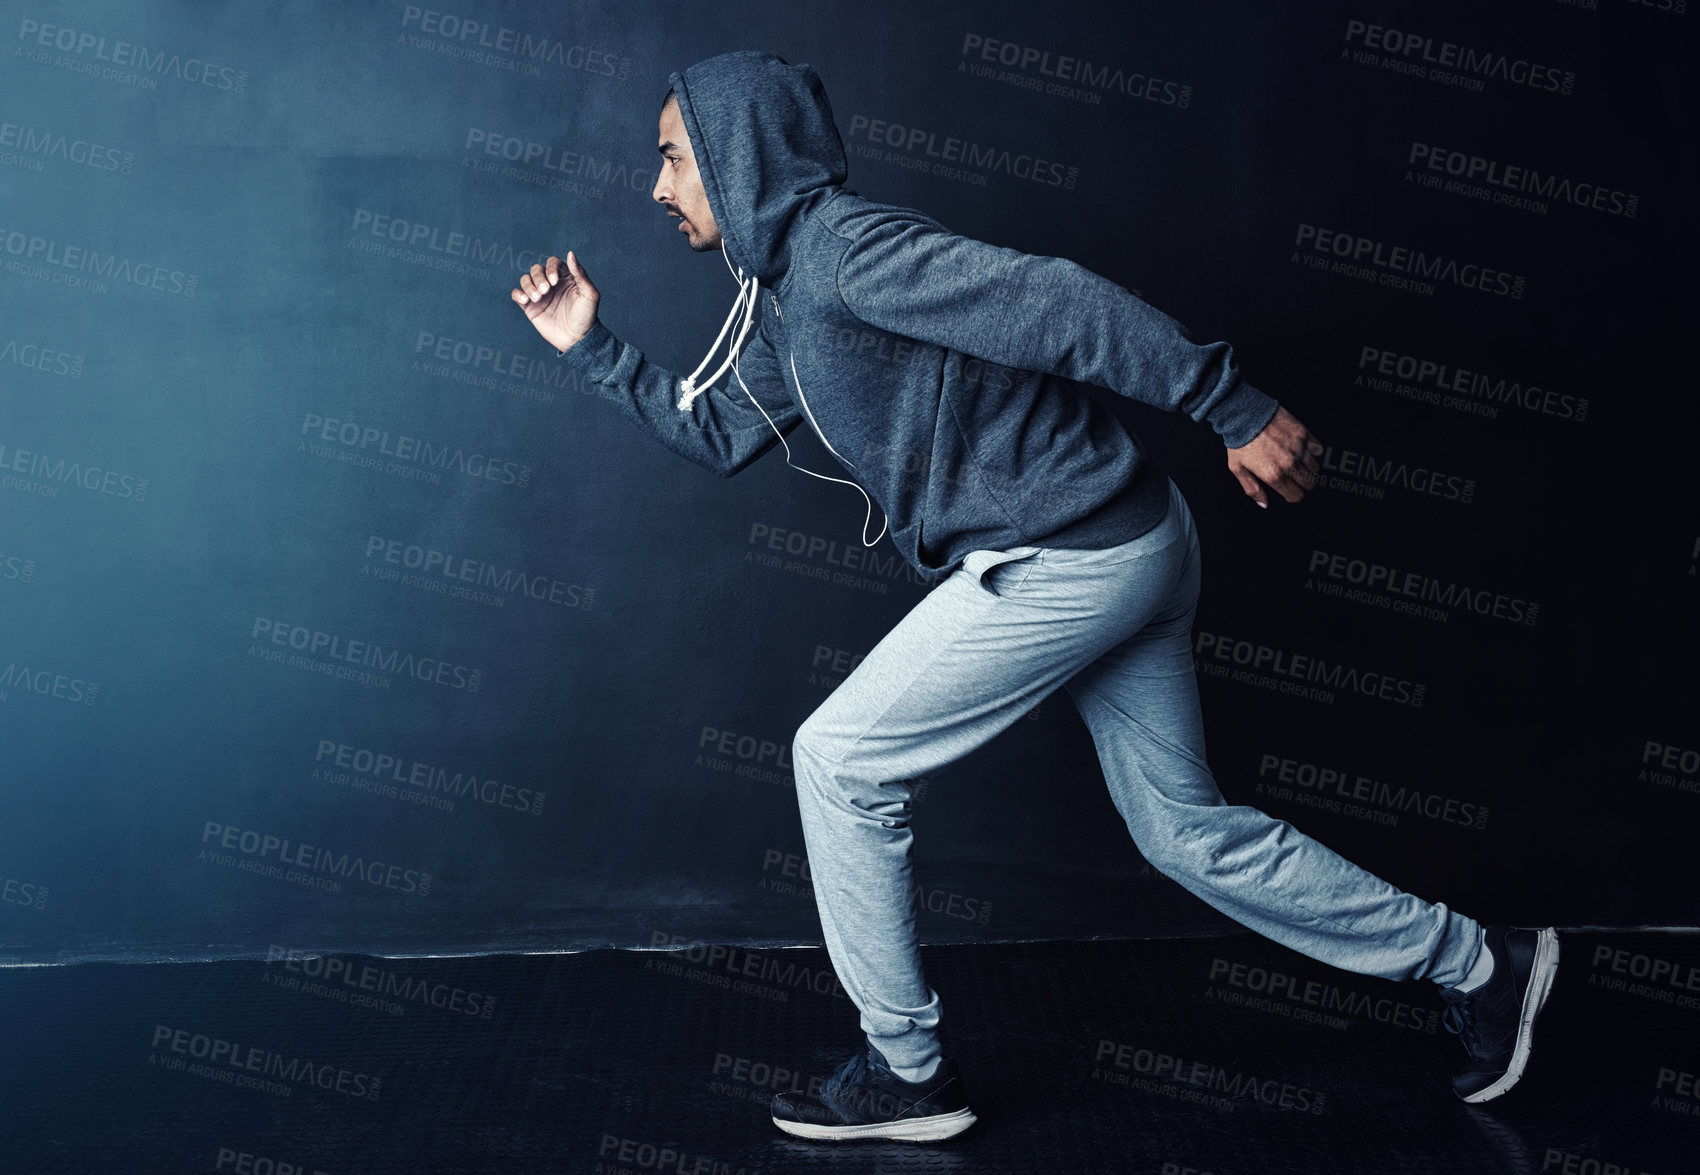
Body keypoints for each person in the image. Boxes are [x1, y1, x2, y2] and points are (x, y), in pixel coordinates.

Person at [509, 50, 1558, 1143]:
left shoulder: (845, 255)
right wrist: (595, 351)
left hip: (1072, 555)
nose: (657, 186)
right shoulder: (783, 298)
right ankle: (1480, 962)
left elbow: (1054, 301)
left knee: (838, 758)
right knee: (1182, 832)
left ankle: (907, 1070)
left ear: (739, 155)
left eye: (673, 159)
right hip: (1131, 535)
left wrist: (1226, 402)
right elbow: (725, 433)